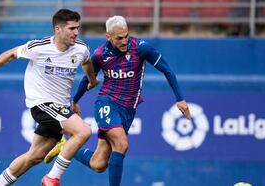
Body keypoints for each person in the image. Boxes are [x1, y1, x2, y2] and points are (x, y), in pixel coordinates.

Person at [45, 16, 191, 186]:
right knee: (121, 144)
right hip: (107, 103)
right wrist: (75, 101)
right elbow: (87, 79)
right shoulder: (100, 55)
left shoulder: (141, 48)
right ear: (109, 37)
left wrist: (180, 99)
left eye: (126, 36)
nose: (124, 41)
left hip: (128, 110)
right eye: (119, 38)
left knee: (98, 164)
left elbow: (167, 71)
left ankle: (63, 146)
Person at [0, 8, 98, 186]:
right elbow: (11, 54)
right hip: (42, 105)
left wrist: (92, 80)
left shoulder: (81, 49)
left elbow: (87, 63)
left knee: (34, 156)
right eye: (71, 28)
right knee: (83, 131)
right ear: (57, 29)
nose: (76, 32)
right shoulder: (40, 47)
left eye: (77, 28)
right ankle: (52, 178)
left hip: (60, 109)